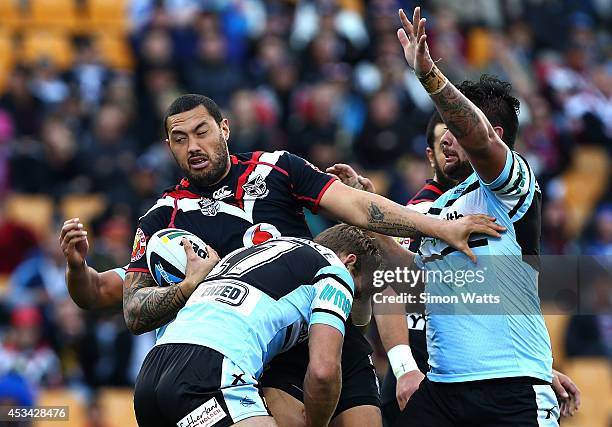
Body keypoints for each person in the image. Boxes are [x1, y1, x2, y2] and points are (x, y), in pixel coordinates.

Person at [62, 93, 504, 426]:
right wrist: (79, 270)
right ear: (168, 146)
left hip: (327, 320)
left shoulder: (276, 168)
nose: (193, 146)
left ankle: (480, 340)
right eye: (180, 139)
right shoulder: (164, 217)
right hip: (261, 355)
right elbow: (118, 301)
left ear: (225, 128)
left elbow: (355, 209)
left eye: (202, 132)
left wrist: (440, 228)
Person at [385, 7, 556, 425]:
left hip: (510, 388)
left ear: (492, 135)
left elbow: (476, 136)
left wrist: (428, 76)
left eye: (455, 128)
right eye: (443, 128)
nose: (447, 136)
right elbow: (405, 278)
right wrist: (367, 216)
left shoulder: (512, 186)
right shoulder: (440, 208)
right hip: (443, 389)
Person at [134, 225, 382, 427]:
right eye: (357, 292)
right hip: (211, 370)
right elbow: (323, 371)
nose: (351, 305)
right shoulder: (334, 270)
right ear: (349, 262)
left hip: (151, 374)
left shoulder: (250, 253)